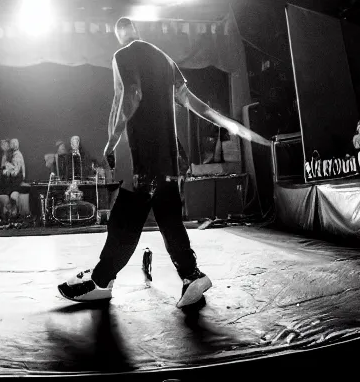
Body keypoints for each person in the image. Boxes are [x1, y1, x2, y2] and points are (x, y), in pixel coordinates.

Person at [58, 17, 271, 308]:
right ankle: (191, 274)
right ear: (138, 30)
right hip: (169, 160)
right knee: (169, 218)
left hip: (145, 157)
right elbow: (197, 104)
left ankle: (102, 279)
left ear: (121, 33)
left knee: (125, 219)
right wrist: (229, 123)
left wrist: (111, 140)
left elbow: (131, 94)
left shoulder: (124, 54)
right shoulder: (166, 60)